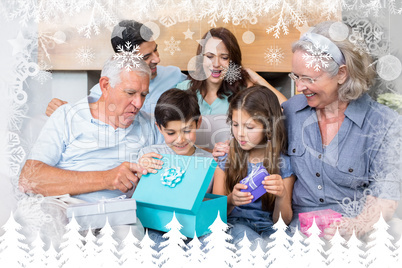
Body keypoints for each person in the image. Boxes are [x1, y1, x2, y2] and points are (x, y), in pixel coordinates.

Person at [214, 21, 402, 240]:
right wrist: (230, 145)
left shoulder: (385, 124)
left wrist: (355, 225)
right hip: (301, 232)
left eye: (309, 79)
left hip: (356, 227)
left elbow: (386, 198)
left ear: (342, 74)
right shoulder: (292, 110)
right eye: (296, 77)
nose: (300, 87)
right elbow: (258, 126)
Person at [19, 57, 164, 202]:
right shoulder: (66, 116)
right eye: (130, 93)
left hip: (124, 216)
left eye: (144, 95)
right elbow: (29, 179)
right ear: (105, 86)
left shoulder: (152, 125)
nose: (138, 103)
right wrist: (106, 179)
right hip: (65, 211)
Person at [46, 20, 186, 116]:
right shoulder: (106, 88)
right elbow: (88, 113)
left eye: (156, 50)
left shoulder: (173, 75)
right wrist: (61, 109)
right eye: (146, 57)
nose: (157, 59)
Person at [212, 85, 295, 247]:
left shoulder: (283, 163)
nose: (240, 134)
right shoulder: (226, 157)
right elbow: (215, 216)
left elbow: (283, 222)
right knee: (254, 245)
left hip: (270, 227)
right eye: (235, 125)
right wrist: (231, 200)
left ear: (269, 127)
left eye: (249, 127)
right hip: (236, 225)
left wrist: (281, 195)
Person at [176, 27, 287, 115]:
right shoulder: (183, 89)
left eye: (224, 58)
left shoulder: (243, 92)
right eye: (210, 56)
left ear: (232, 62)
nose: (216, 64)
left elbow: (286, 108)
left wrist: (258, 79)